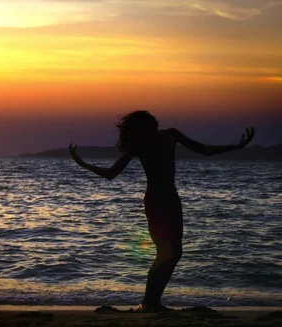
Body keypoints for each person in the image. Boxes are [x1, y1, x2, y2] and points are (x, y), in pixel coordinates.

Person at [68, 110, 254, 312]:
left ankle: (152, 301)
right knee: (165, 252)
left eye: (148, 125)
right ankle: (150, 302)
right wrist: (83, 164)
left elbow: (203, 150)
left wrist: (236, 146)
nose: (148, 129)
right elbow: (111, 173)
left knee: (175, 252)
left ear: (152, 124)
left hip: (172, 199)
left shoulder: (171, 134)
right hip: (155, 201)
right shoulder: (137, 145)